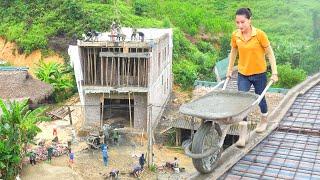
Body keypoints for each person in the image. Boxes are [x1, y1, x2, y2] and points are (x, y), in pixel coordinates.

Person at [226, 8, 279, 147]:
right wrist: (230, 69)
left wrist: (274, 72)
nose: (240, 25)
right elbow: (233, 52)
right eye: (237, 22)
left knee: (260, 98)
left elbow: (270, 54)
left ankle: (264, 120)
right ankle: (242, 136)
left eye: (242, 22)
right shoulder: (235, 35)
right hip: (243, 74)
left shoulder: (260, 34)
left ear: (250, 20)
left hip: (259, 74)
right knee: (242, 102)